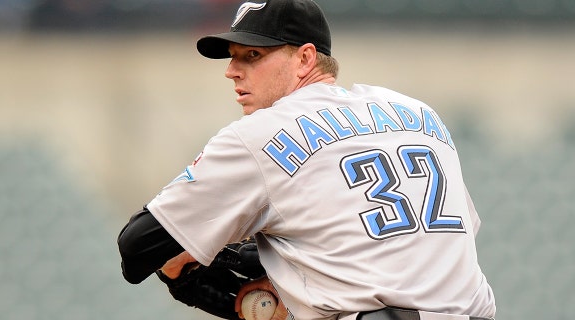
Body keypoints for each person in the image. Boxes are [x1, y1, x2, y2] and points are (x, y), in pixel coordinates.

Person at [117, 0, 497, 319]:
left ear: (305, 58)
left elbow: (137, 247)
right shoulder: (419, 115)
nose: (232, 71)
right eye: (233, 57)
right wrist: (294, 271)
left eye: (252, 55)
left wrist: (201, 264)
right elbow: (435, 237)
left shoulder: (261, 133)